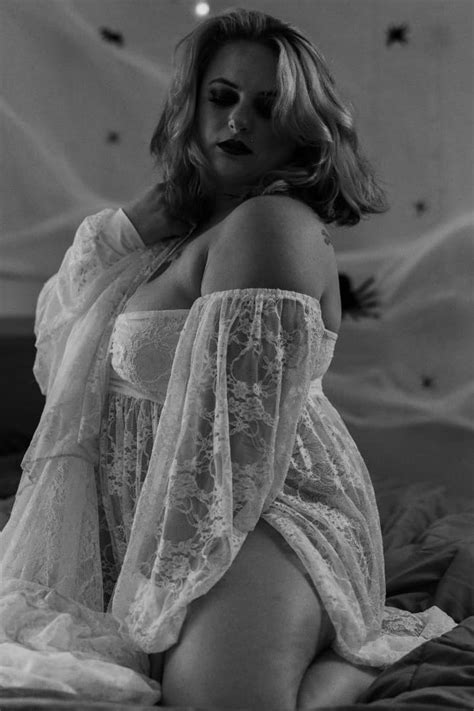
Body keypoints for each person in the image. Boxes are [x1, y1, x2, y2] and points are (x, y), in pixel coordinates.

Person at [0, 8, 456, 709]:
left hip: (256, 512)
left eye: (267, 107)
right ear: (192, 105)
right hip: (158, 515)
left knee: (218, 702)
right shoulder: (174, 238)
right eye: (222, 97)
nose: (238, 119)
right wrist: (127, 227)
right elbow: (60, 350)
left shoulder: (270, 224)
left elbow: (236, 444)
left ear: (301, 129)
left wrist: (163, 587)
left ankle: (371, 651)